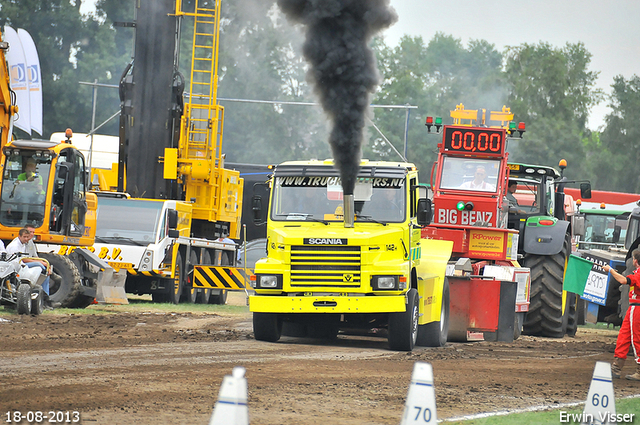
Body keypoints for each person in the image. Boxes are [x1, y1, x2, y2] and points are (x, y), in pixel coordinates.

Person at [605, 249, 640, 380]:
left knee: (637, 339)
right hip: (633, 308)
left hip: (637, 308)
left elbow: (623, 280)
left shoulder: (638, 274)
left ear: (635, 262)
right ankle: (616, 367)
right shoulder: (637, 272)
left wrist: (610, 270)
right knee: (624, 336)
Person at [6, 227, 53, 307]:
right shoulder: (14, 245)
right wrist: (41, 263)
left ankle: (45, 297)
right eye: (25, 236)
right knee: (40, 266)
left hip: (21, 264)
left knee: (43, 267)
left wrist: (45, 264)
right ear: (19, 236)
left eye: (28, 236)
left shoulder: (25, 243)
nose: (27, 238)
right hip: (15, 266)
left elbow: (33, 256)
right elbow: (21, 260)